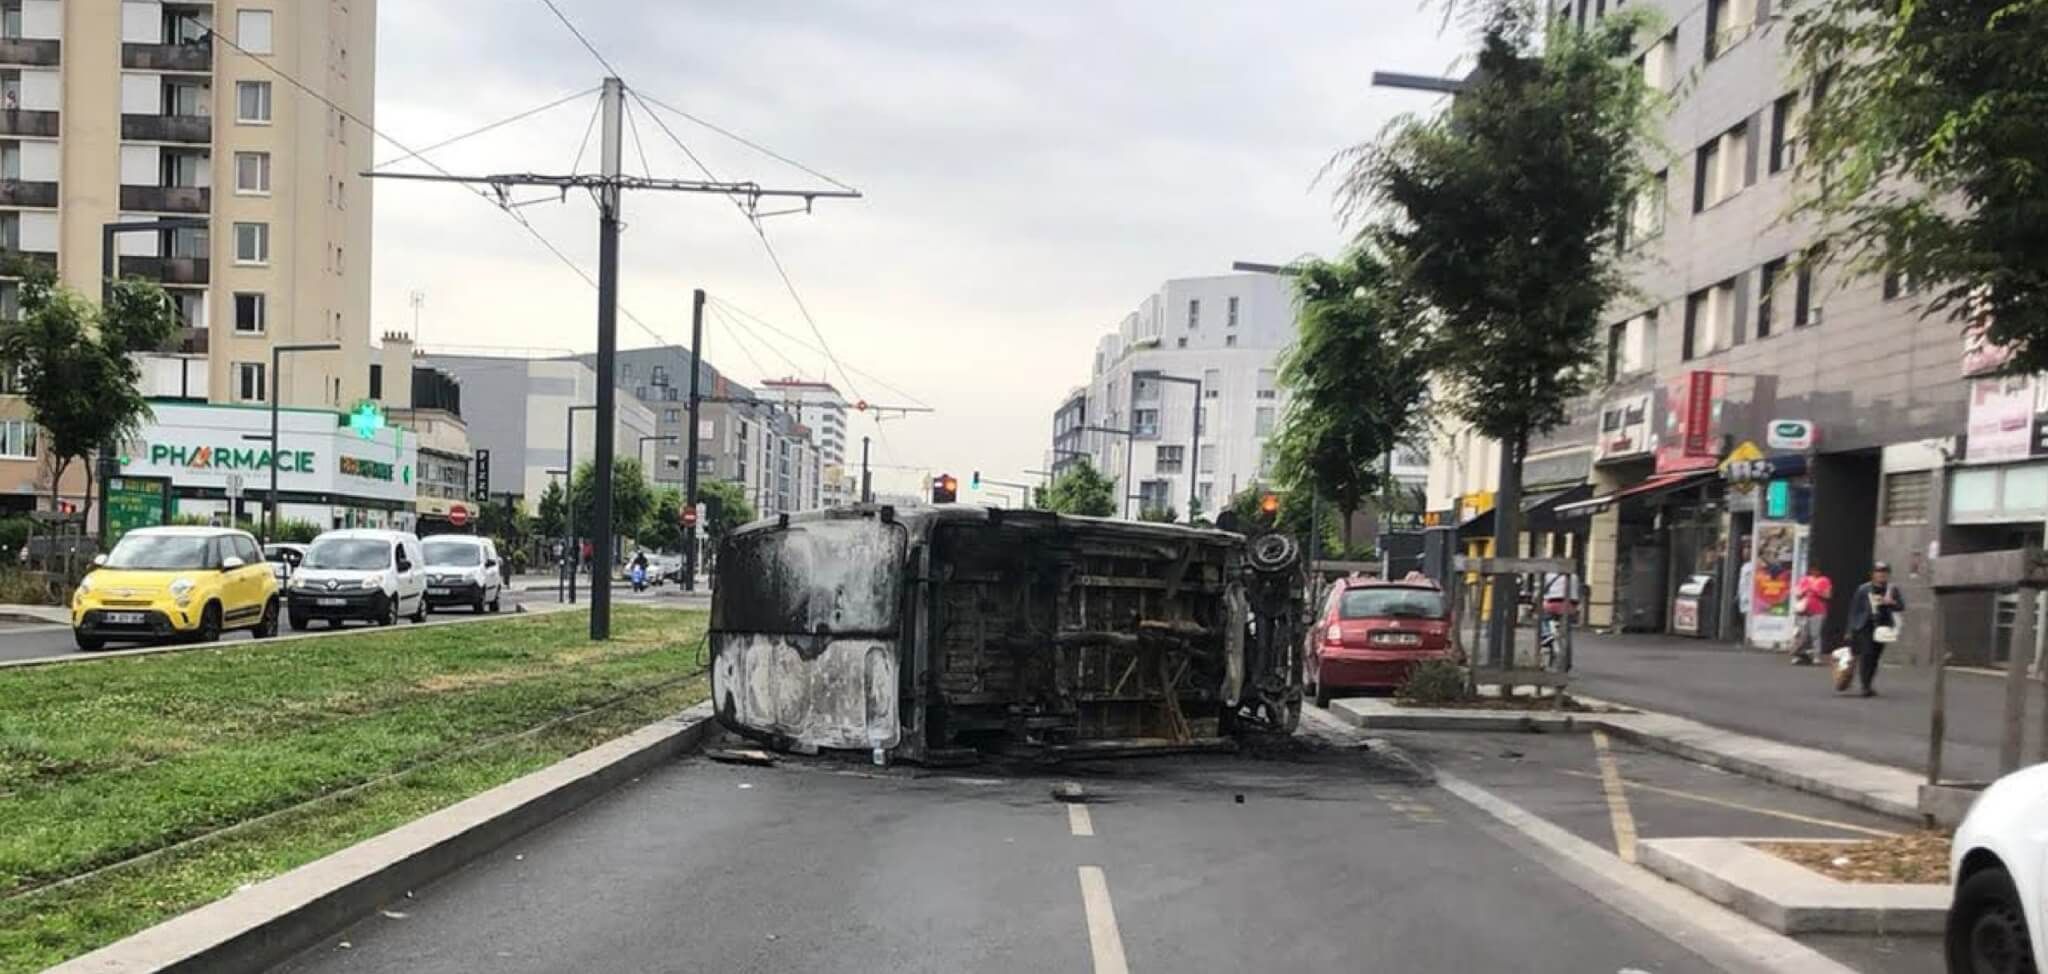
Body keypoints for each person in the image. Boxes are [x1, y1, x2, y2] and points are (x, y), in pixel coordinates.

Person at [1845, 562, 1904, 697]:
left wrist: (1892, 603)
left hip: (1883, 627)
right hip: (1865, 626)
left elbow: (1901, 606)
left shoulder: (1892, 589)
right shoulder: (1863, 589)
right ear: (1873, 574)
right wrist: (1849, 630)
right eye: (1878, 572)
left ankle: (1869, 684)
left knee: (1875, 657)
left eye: (1884, 572)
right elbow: (1854, 610)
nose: (1881, 574)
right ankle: (1865, 686)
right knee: (1867, 654)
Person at [1791, 563, 1833, 666]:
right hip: (1803, 611)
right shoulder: (1804, 580)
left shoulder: (1825, 580)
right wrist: (1804, 591)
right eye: (1813, 569)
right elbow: (1797, 593)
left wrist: (1817, 591)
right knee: (1802, 635)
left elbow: (1828, 595)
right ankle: (1799, 655)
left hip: (1818, 612)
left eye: (1816, 570)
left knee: (1815, 635)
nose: (1814, 571)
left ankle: (1816, 657)